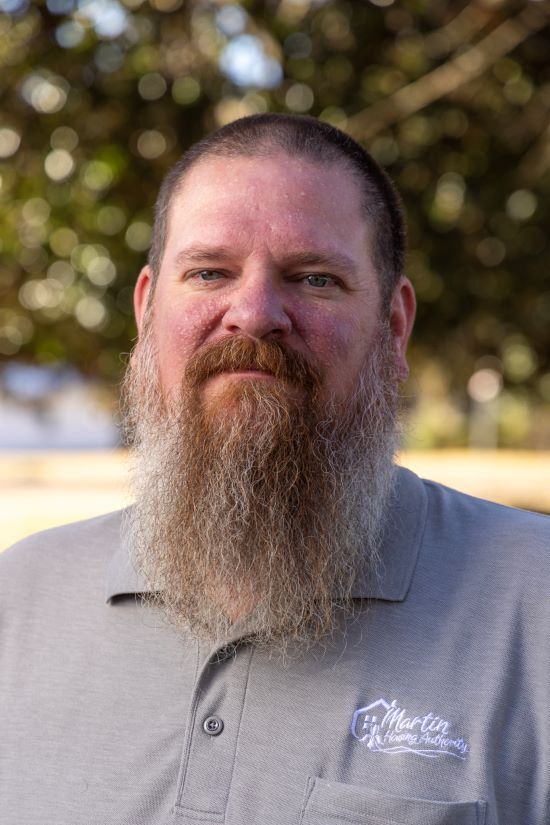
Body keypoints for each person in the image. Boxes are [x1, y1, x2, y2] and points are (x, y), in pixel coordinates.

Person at [0, 114, 548, 825]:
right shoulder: (18, 601)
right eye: (208, 272)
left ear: (394, 324)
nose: (255, 313)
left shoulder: (535, 605)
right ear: (145, 311)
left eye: (315, 277)